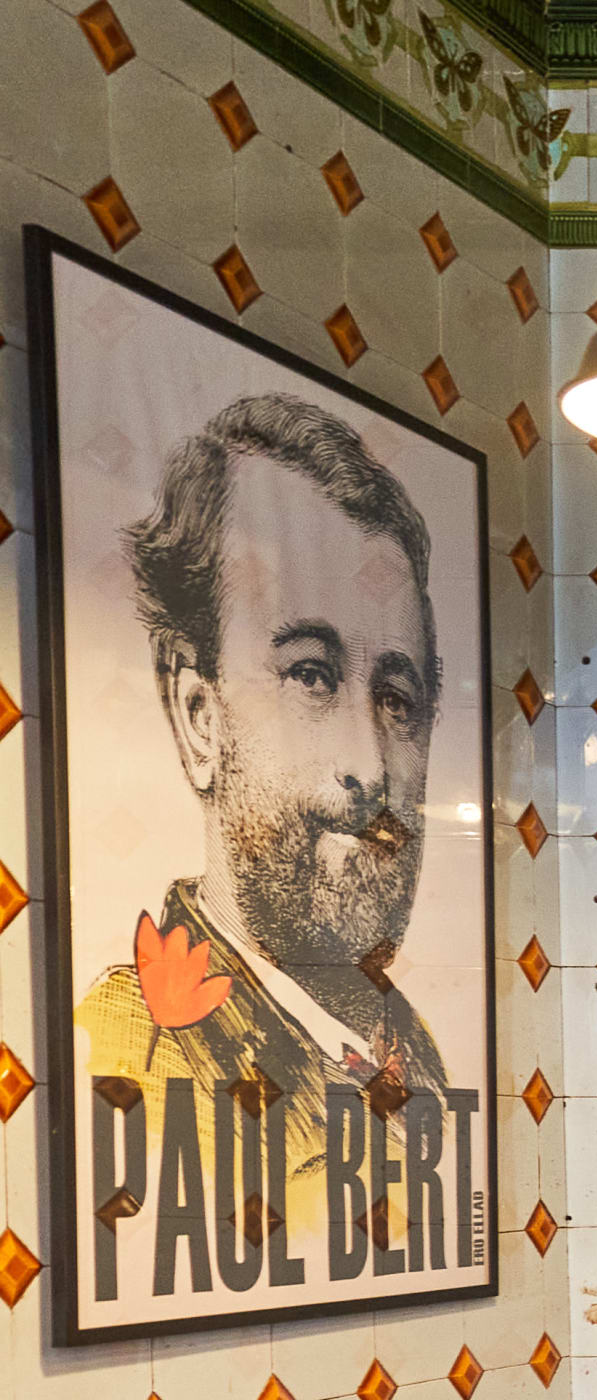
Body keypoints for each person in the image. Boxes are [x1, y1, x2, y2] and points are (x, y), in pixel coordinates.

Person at [75, 393, 462, 1277]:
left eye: (397, 699)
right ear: (199, 716)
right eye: (311, 677)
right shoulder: (125, 1042)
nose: (367, 764)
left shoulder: (410, 1048)